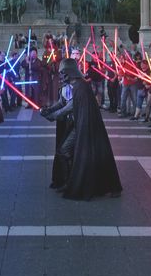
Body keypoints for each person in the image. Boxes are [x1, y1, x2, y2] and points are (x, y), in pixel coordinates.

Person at [42, 59, 122, 201]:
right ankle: (70, 180)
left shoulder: (80, 86)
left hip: (82, 126)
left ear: (69, 73)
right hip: (77, 124)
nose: (61, 76)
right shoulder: (75, 86)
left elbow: (70, 107)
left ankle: (72, 181)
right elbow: (64, 103)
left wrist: (52, 116)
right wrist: (49, 111)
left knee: (65, 150)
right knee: (66, 151)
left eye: (63, 73)